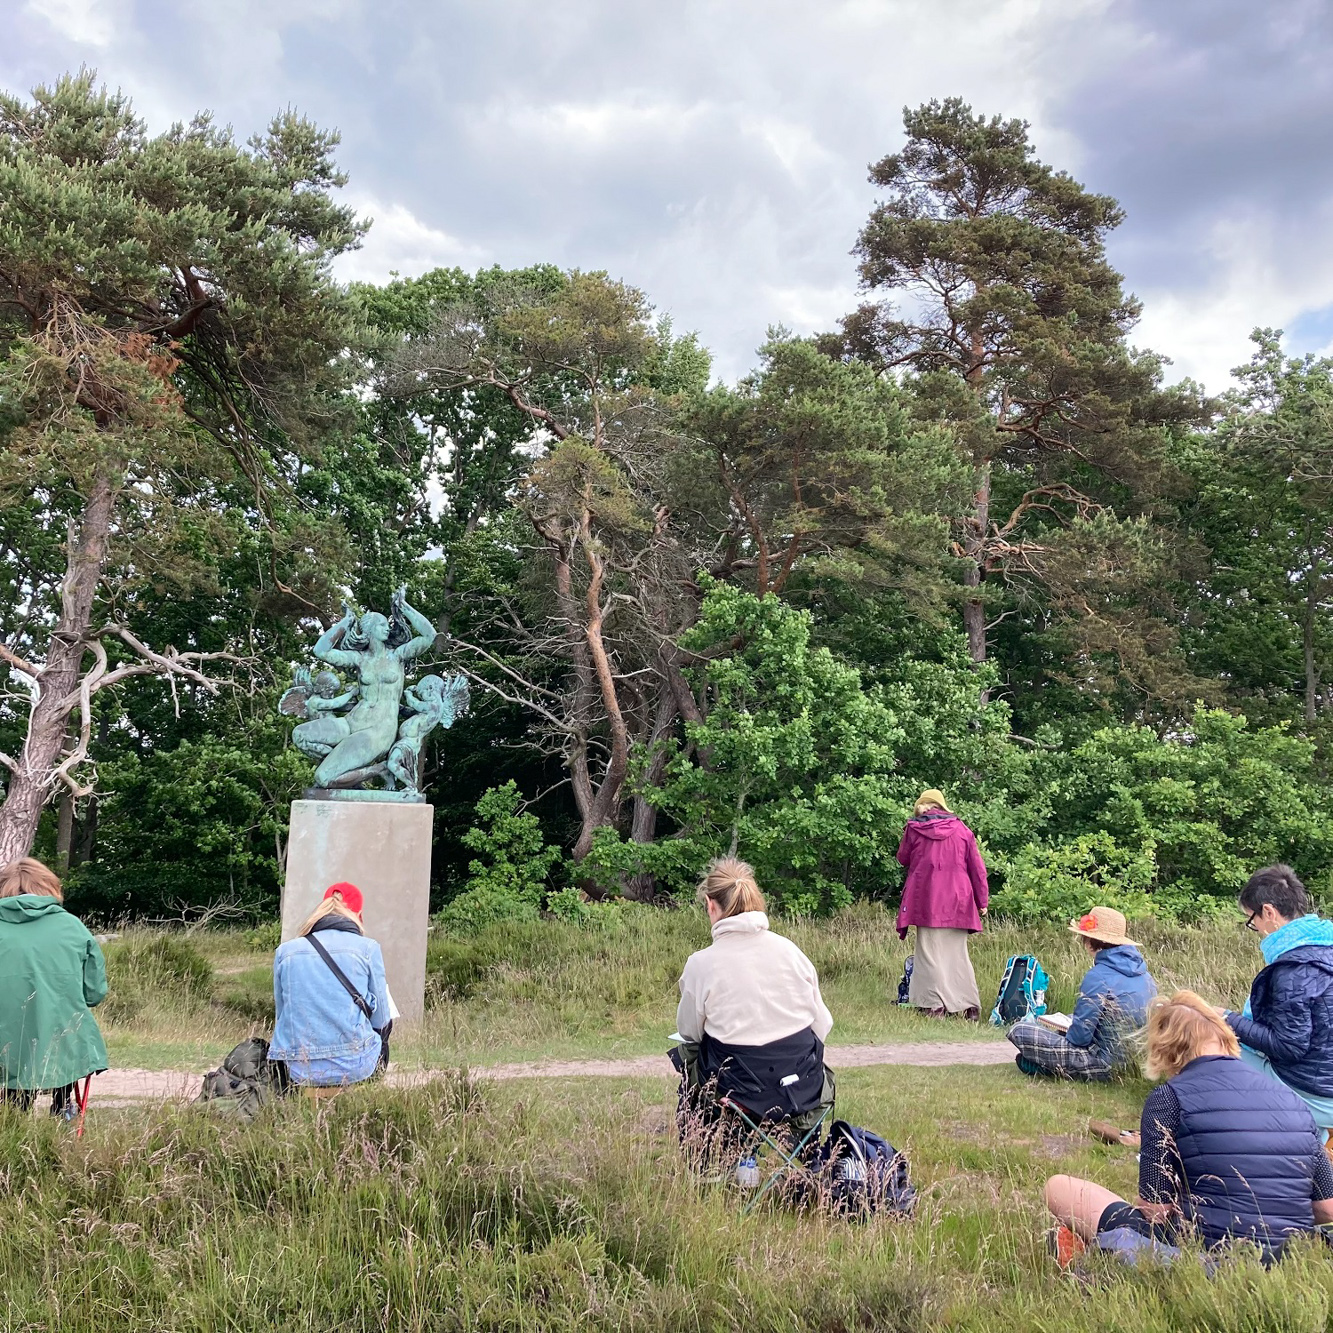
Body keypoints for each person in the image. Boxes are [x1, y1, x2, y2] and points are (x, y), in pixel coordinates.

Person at [1045, 991, 1333, 1264]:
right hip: (1289, 1259)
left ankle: (1094, 1245)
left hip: (1204, 1255)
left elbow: (1155, 1210)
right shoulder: (1293, 1103)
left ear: (1166, 1048)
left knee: (1060, 1188)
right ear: (1225, 1037)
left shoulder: (1168, 1099)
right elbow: (1327, 1207)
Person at [673, 857, 834, 1132]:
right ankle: (806, 1156)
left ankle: (710, 1159)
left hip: (736, 1090)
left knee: (689, 1054)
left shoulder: (701, 964)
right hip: (800, 1086)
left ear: (711, 905)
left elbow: (689, 1033)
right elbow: (822, 1024)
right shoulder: (790, 951)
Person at [1221, 864, 1333, 1143]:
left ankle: (1227, 1142)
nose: (1255, 928)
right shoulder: (1325, 949)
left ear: (1269, 912)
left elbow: (1289, 1046)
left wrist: (1227, 1018)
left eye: (1251, 920)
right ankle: (1308, 1152)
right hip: (1323, 1078)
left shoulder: (1292, 970)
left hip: (1318, 1093)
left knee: (1213, 1051)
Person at [0, 857, 108, 1119]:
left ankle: (13, 1119)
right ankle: (62, 1109)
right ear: (49, 887)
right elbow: (94, 994)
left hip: (6, 1049)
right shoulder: (72, 926)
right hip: (61, 1046)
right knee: (65, 1039)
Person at [1009, 906, 1156, 1080]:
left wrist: (1068, 1029)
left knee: (1020, 1029)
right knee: (1067, 1023)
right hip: (1135, 1061)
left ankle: (1047, 1067)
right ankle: (1044, 1065)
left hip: (1103, 1063)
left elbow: (1079, 1039)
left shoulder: (1098, 975)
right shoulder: (1146, 976)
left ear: (1090, 941)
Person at [269, 883, 393, 1087]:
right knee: (382, 1034)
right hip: (356, 1064)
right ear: (358, 914)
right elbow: (382, 1021)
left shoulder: (285, 952)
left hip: (298, 1068)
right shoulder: (368, 948)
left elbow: (282, 1014)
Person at [895, 789, 989, 1020]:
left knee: (929, 952)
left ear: (922, 807)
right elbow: (977, 868)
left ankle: (934, 1005)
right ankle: (970, 1007)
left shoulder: (914, 829)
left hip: (927, 898)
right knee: (957, 955)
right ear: (943, 806)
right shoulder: (962, 830)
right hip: (959, 899)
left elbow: (902, 858)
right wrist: (982, 900)